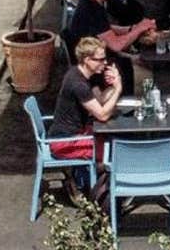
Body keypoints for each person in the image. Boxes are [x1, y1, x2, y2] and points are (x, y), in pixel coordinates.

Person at [48, 37, 123, 206]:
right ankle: (101, 197)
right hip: (64, 142)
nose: (104, 63)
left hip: (72, 134)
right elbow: (102, 115)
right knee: (112, 152)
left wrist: (113, 85)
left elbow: (99, 102)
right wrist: (118, 89)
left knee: (112, 141)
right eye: (100, 59)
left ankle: (82, 181)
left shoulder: (77, 73)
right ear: (87, 60)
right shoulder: (78, 84)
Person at [67, 0, 156, 93]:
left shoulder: (90, 2)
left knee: (141, 61)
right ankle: (132, 107)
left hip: (96, 57)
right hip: (95, 67)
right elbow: (116, 45)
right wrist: (139, 29)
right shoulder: (92, 10)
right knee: (145, 75)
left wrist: (131, 28)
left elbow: (105, 30)